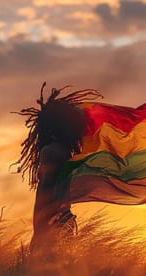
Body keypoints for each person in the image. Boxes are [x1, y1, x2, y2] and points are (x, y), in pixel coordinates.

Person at [13, 83, 102, 257]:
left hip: (50, 221)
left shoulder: (53, 150)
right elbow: (53, 190)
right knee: (49, 264)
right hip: (52, 221)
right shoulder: (56, 151)